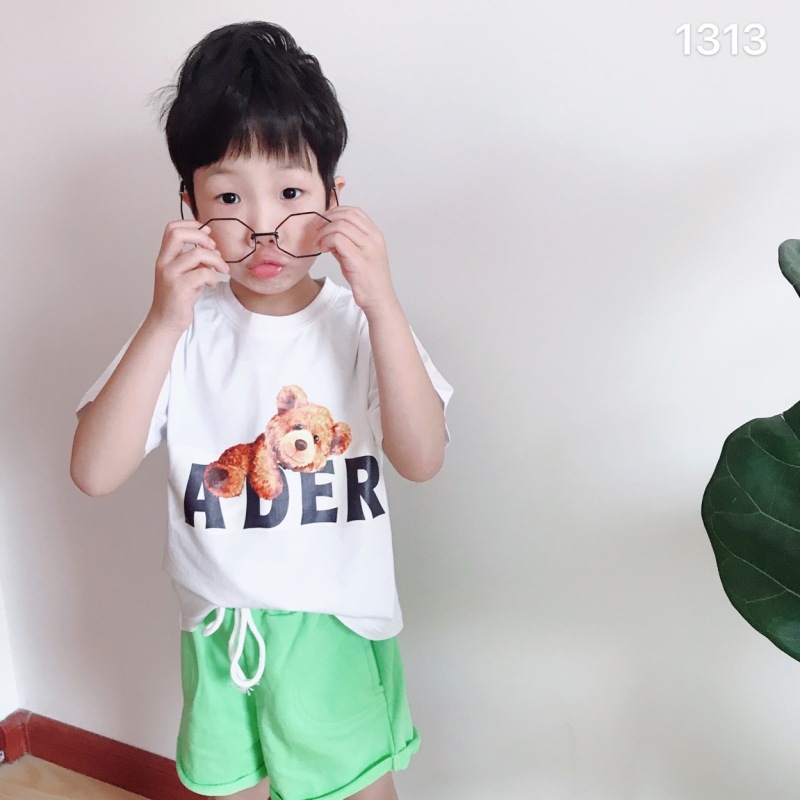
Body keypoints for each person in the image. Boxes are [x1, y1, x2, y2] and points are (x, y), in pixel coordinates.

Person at [70, 21, 452, 800]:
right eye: (228, 197)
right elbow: (93, 471)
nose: (263, 227)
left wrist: (382, 301)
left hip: (337, 631)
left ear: (335, 200)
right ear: (189, 207)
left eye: (290, 193)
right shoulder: (181, 331)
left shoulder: (359, 324)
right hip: (221, 636)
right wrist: (163, 320)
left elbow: (422, 458)